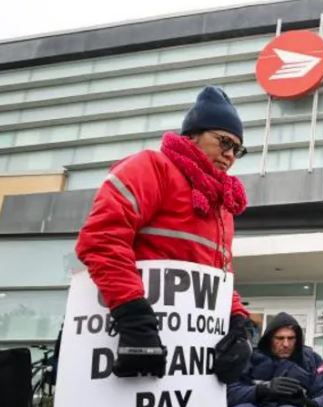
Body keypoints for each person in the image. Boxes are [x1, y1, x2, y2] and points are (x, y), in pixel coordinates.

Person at [75, 85, 253, 382]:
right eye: (223, 141)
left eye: (238, 149)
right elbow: (101, 239)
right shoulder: (151, 167)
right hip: (124, 335)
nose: (230, 155)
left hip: (186, 356)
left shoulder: (222, 207)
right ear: (192, 135)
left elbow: (218, 276)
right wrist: (133, 318)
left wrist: (239, 323)